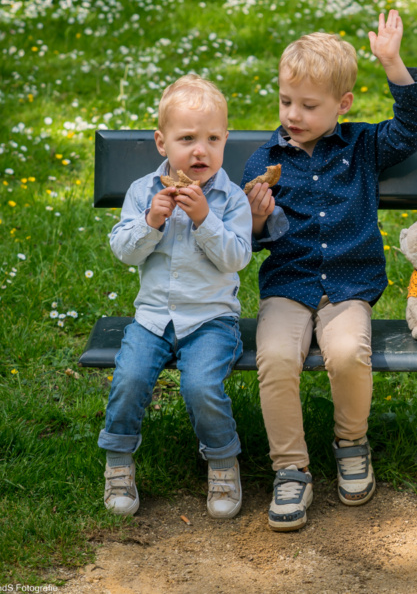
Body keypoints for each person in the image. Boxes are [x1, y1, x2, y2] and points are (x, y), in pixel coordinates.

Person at [242, 10, 417, 531]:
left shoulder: (362, 146)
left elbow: (413, 130)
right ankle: (290, 469)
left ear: (342, 105)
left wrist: (392, 63)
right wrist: (256, 219)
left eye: (309, 106)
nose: (293, 115)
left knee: (348, 353)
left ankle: (351, 444)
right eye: (286, 101)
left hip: (349, 286)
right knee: (275, 356)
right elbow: (249, 243)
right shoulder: (263, 161)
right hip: (288, 284)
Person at [99, 74, 252, 519]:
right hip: (152, 318)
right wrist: (150, 223)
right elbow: (123, 251)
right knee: (129, 379)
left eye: (212, 139)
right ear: (161, 142)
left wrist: (205, 220)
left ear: (225, 141)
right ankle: (118, 460)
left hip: (211, 320)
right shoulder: (142, 193)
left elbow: (237, 258)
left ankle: (222, 462)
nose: (200, 151)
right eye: (187, 139)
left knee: (201, 384)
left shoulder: (231, 199)